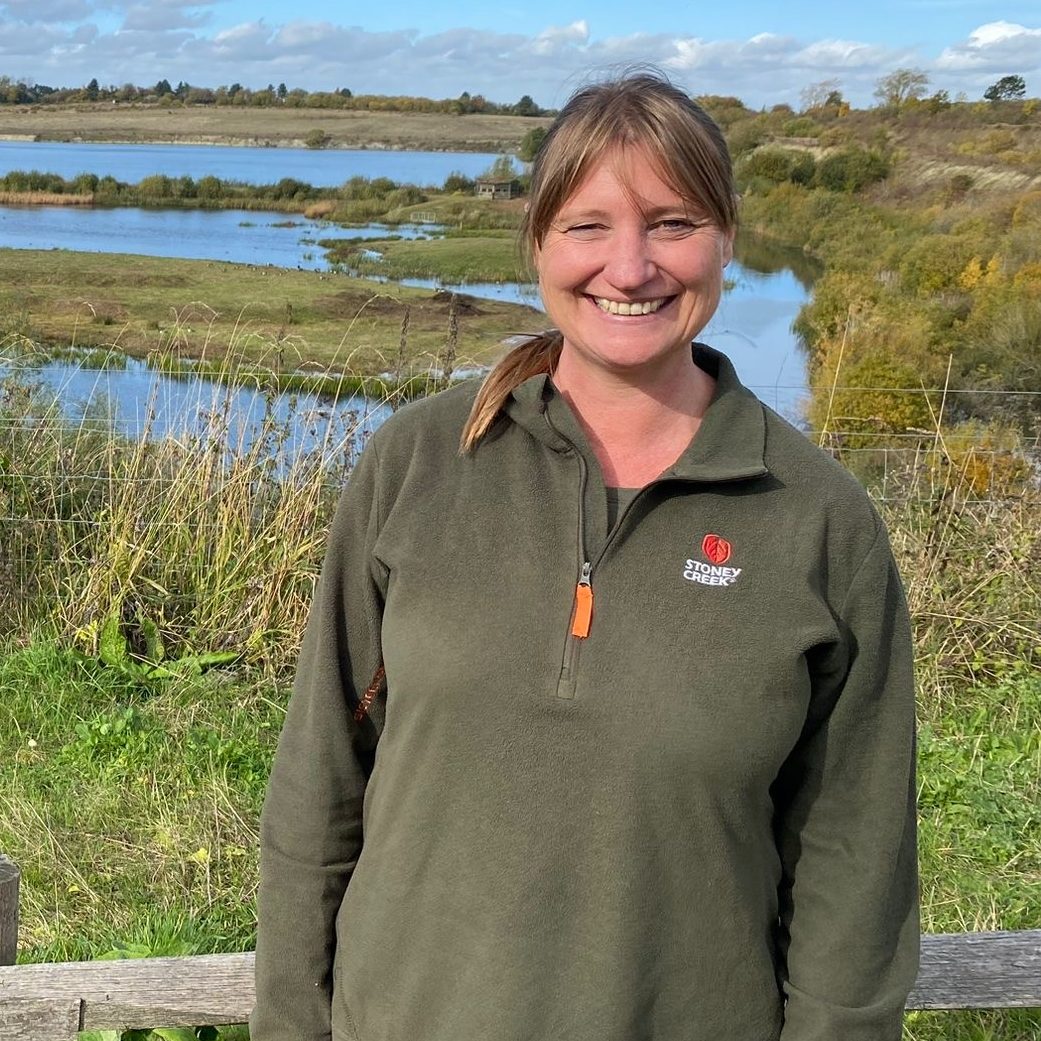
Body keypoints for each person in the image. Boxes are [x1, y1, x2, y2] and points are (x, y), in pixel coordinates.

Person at [251, 71, 918, 1041]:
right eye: (588, 226)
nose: (631, 266)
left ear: (730, 239)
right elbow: (318, 792)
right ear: (537, 243)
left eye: (674, 223)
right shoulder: (418, 466)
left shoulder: (820, 522)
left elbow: (856, 871)